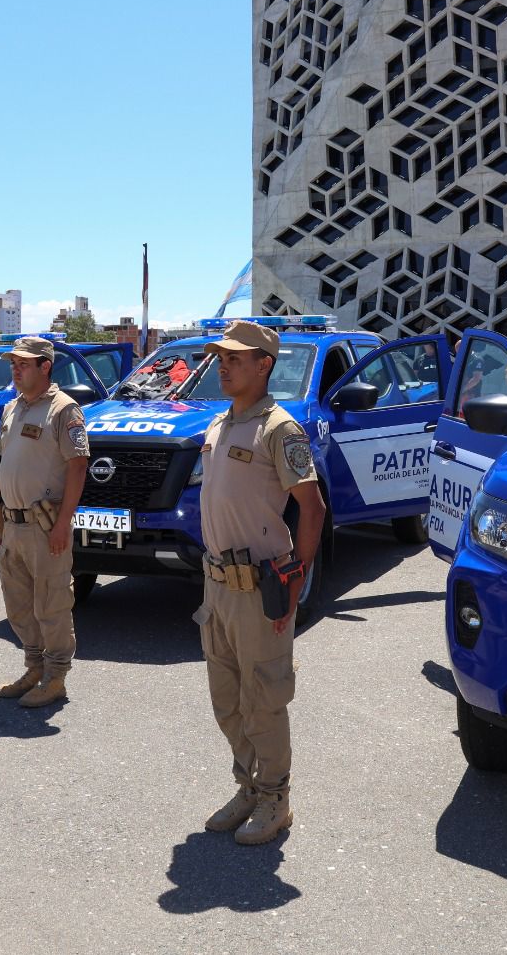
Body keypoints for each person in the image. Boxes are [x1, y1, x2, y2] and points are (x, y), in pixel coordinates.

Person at [194, 319, 324, 846]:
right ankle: (248, 786)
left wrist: (297, 574)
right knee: (226, 699)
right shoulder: (220, 424)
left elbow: (311, 508)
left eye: (235, 358)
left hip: (260, 587)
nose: (223, 366)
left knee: (264, 698)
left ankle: (275, 798)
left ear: (264, 365)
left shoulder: (280, 429)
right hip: (216, 585)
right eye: (220, 358)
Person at [0, 335, 90, 708]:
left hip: (45, 526)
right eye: (13, 363)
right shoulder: (12, 408)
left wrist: (65, 522)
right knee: (19, 603)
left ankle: (56, 675)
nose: (15, 368)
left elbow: (78, 466)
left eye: (23, 363)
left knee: (52, 603)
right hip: (12, 525)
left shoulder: (64, 410)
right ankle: (34, 667)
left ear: (45, 366)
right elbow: (6, 461)